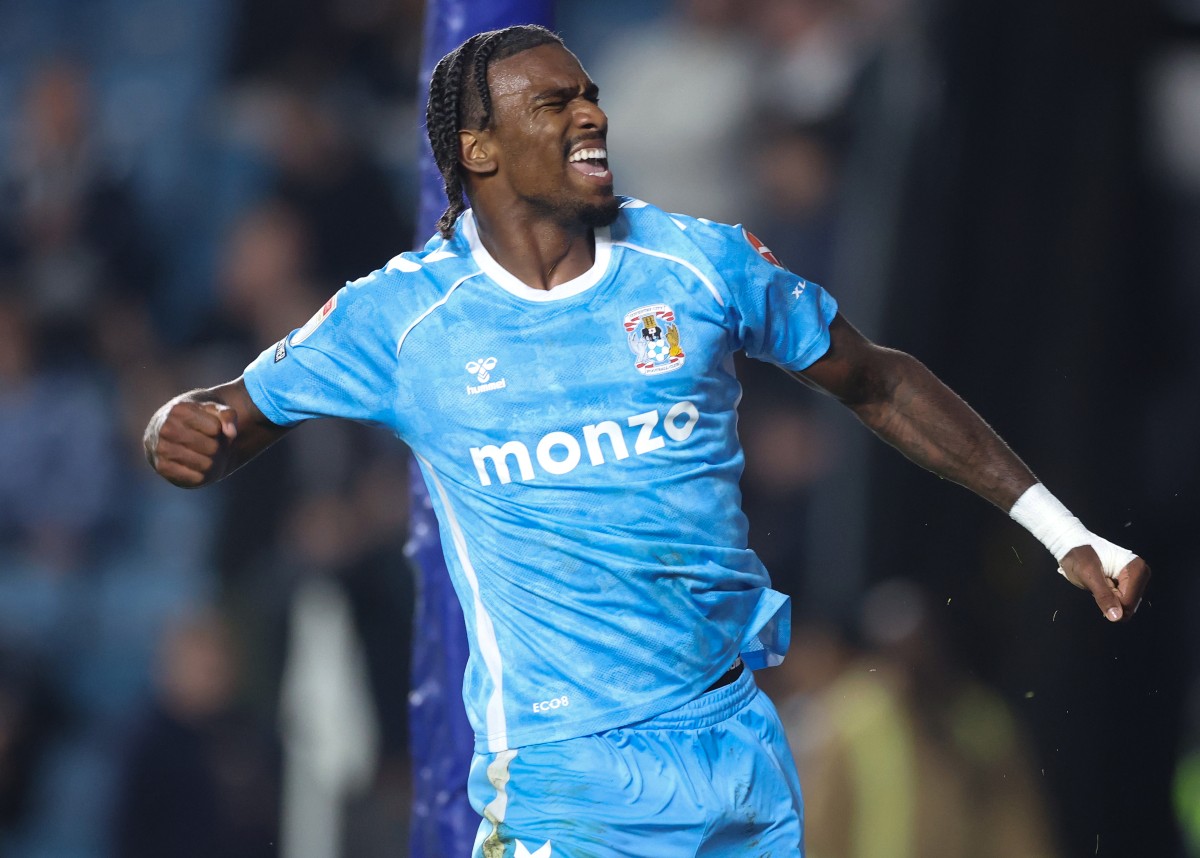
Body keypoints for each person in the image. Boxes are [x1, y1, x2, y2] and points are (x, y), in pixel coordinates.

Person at [143, 24, 1150, 857]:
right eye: (555, 103)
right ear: (479, 149)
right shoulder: (405, 320)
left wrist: (1061, 529)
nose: (592, 115)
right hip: (567, 777)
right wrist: (175, 432)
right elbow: (226, 416)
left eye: (590, 94)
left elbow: (877, 377)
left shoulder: (699, 266)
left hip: (736, 756)